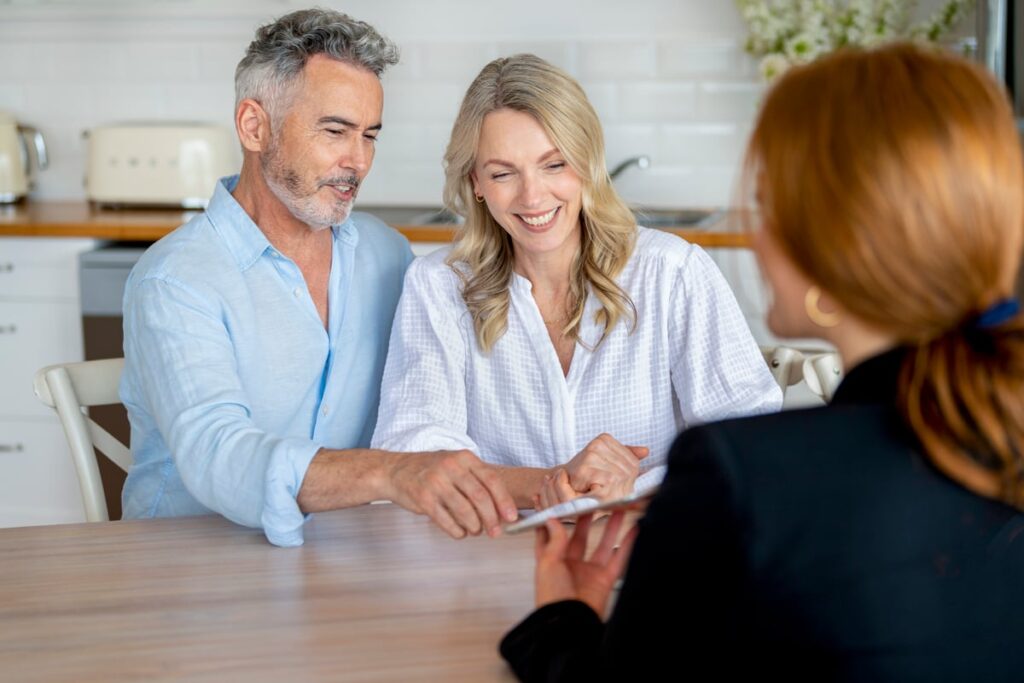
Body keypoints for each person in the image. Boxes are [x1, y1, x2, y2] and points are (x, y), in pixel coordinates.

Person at [499, 43, 1024, 681]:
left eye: (768, 202)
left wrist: (564, 617)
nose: (756, 232)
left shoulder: (740, 475)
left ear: (829, 243)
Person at [119, 8, 517, 547]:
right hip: (190, 562)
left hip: (345, 557)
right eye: (335, 131)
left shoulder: (386, 255)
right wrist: (388, 473)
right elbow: (218, 453)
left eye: (370, 136)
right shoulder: (175, 281)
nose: (358, 161)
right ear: (254, 126)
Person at [371, 54, 781, 508]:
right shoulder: (438, 285)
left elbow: (749, 441)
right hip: (490, 553)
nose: (533, 196)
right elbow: (413, 453)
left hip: (655, 545)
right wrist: (551, 482)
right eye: (504, 173)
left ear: (588, 163)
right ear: (477, 183)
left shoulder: (672, 272)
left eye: (554, 165)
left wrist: (635, 487)